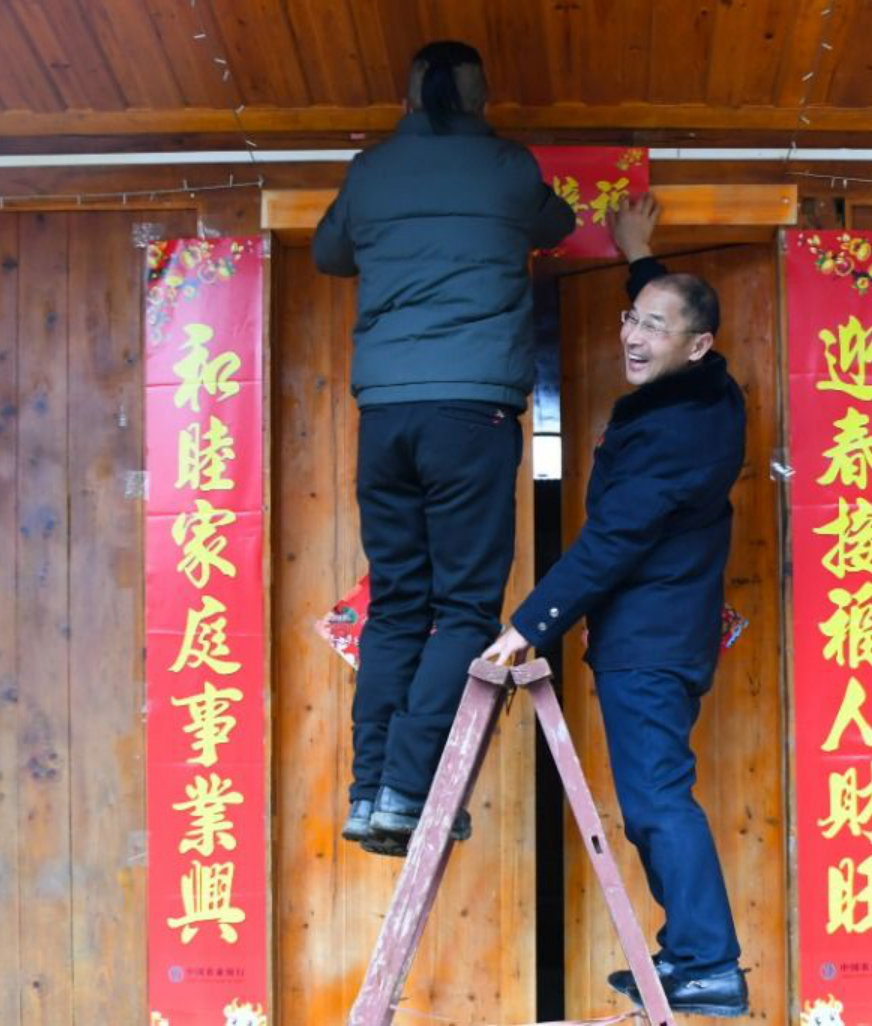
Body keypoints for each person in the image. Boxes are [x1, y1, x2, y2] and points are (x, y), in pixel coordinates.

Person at [483, 194, 749, 1017]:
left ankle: (707, 964)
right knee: (654, 799)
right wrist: (638, 254)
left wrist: (526, 627)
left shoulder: (680, 432)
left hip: (649, 644)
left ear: (696, 345)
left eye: (652, 327)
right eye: (631, 318)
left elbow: (611, 543)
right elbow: (669, 311)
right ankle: (691, 954)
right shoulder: (705, 386)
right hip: (662, 636)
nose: (631, 335)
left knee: (656, 801)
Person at [313, 40, 575, 856]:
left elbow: (329, 255)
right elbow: (558, 225)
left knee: (397, 605)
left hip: (385, 415)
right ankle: (408, 789)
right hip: (471, 413)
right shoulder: (507, 167)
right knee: (463, 607)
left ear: (407, 95)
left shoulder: (370, 171)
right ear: (479, 96)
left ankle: (368, 791)